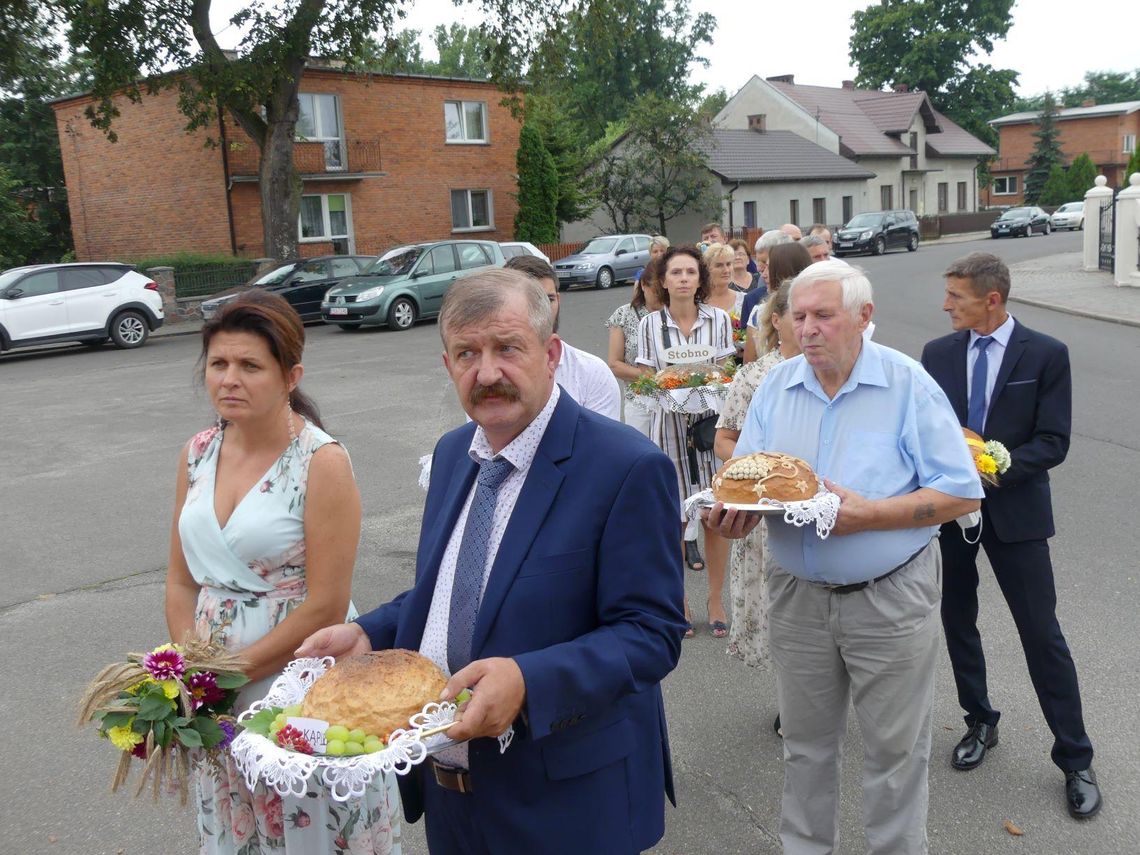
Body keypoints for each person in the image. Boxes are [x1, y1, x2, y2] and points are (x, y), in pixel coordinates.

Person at [297, 269, 687, 854]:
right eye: (466, 353)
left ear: (551, 353)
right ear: (447, 363)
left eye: (508, 348)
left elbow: (652, 634)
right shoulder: (456, 453)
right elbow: (453, 589)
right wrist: (368, 632)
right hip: (451, 791)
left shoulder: (626, 466)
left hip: (568, 802)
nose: (487, 373)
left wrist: (529, 682)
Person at [710, 259, 982, 854]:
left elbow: (961, 491)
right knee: (805, 748)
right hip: (797, 596)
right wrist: (733, 515)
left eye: (823, 316)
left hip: (889, 598)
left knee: (895, 754)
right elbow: (749, 481)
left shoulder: (907, 384)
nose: (806, 329)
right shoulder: (777, 387)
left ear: (864, 317)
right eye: (798, 316)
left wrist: (871, 516)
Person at [164, 290, 401, 854]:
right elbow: (179, 579)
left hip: (296, 681)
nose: (229, 380)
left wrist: (230, 675)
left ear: (290, 375)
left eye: (250, 366)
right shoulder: (196, 452)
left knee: (307, 819)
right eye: (219, 365)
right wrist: (189, 671)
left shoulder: (322, 462)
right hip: (213, 683)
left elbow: (326, 602)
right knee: (238, 817)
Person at [921, 252, 1101, 819]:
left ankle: (1075, 757)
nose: (946, 305)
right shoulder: (938, 353)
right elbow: (926, 429)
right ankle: (980, 721)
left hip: (1017, 514)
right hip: (950, 515)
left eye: (957, 296)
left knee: (1041, 633)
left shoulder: (1046, 354)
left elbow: (1053, 441)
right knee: (957, 620)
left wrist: (994, 466)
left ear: (991, 299)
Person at [636, 245, 735, 638]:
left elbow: (728, 371)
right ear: (663, 280)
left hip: (710, 429)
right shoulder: (649, 326)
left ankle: (715, 599)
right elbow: (645, 378)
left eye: (690, 272)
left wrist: (712, 382)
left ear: (700, 279)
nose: (682, 279)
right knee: (673, 519)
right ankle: (679, 600)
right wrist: (666, 386)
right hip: (669, 430)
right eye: (675, 273)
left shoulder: (719, 320)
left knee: (715, 515)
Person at [713, 281, 800, 723]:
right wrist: (760, 464)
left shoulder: (837, 370)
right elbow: (724, 440)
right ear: (777, 320)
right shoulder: (755, 375)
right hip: (766, 513)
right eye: (797, 316)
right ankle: (792, 707)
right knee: (778, 609)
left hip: (819, 509)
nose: (806, 326)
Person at [504, 254, 621, 421]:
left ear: (558, 300)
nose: (542, 312)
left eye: (548, 299)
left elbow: (603, 444)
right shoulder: (488, 377)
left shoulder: (592, 373)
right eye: (529, 301)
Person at [606, 256, 665, 436]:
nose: (661, 297)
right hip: (639, 401)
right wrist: (654, 377)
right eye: (656, 291)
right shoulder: (624, 314)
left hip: (673, 400)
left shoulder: (675, 313)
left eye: (664, 291)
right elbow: (615, 364)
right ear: (644, 286)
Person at [743, 242, 810, 364]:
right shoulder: (759, 312)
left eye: (769, 268)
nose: (764, 275)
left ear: (783, 270)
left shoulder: (815, 309)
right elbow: (749, 366)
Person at [739, 231, 792, 352]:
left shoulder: (807, 301)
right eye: (758, 261)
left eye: (765, 262)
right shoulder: (753, 299)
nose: (759, 268)